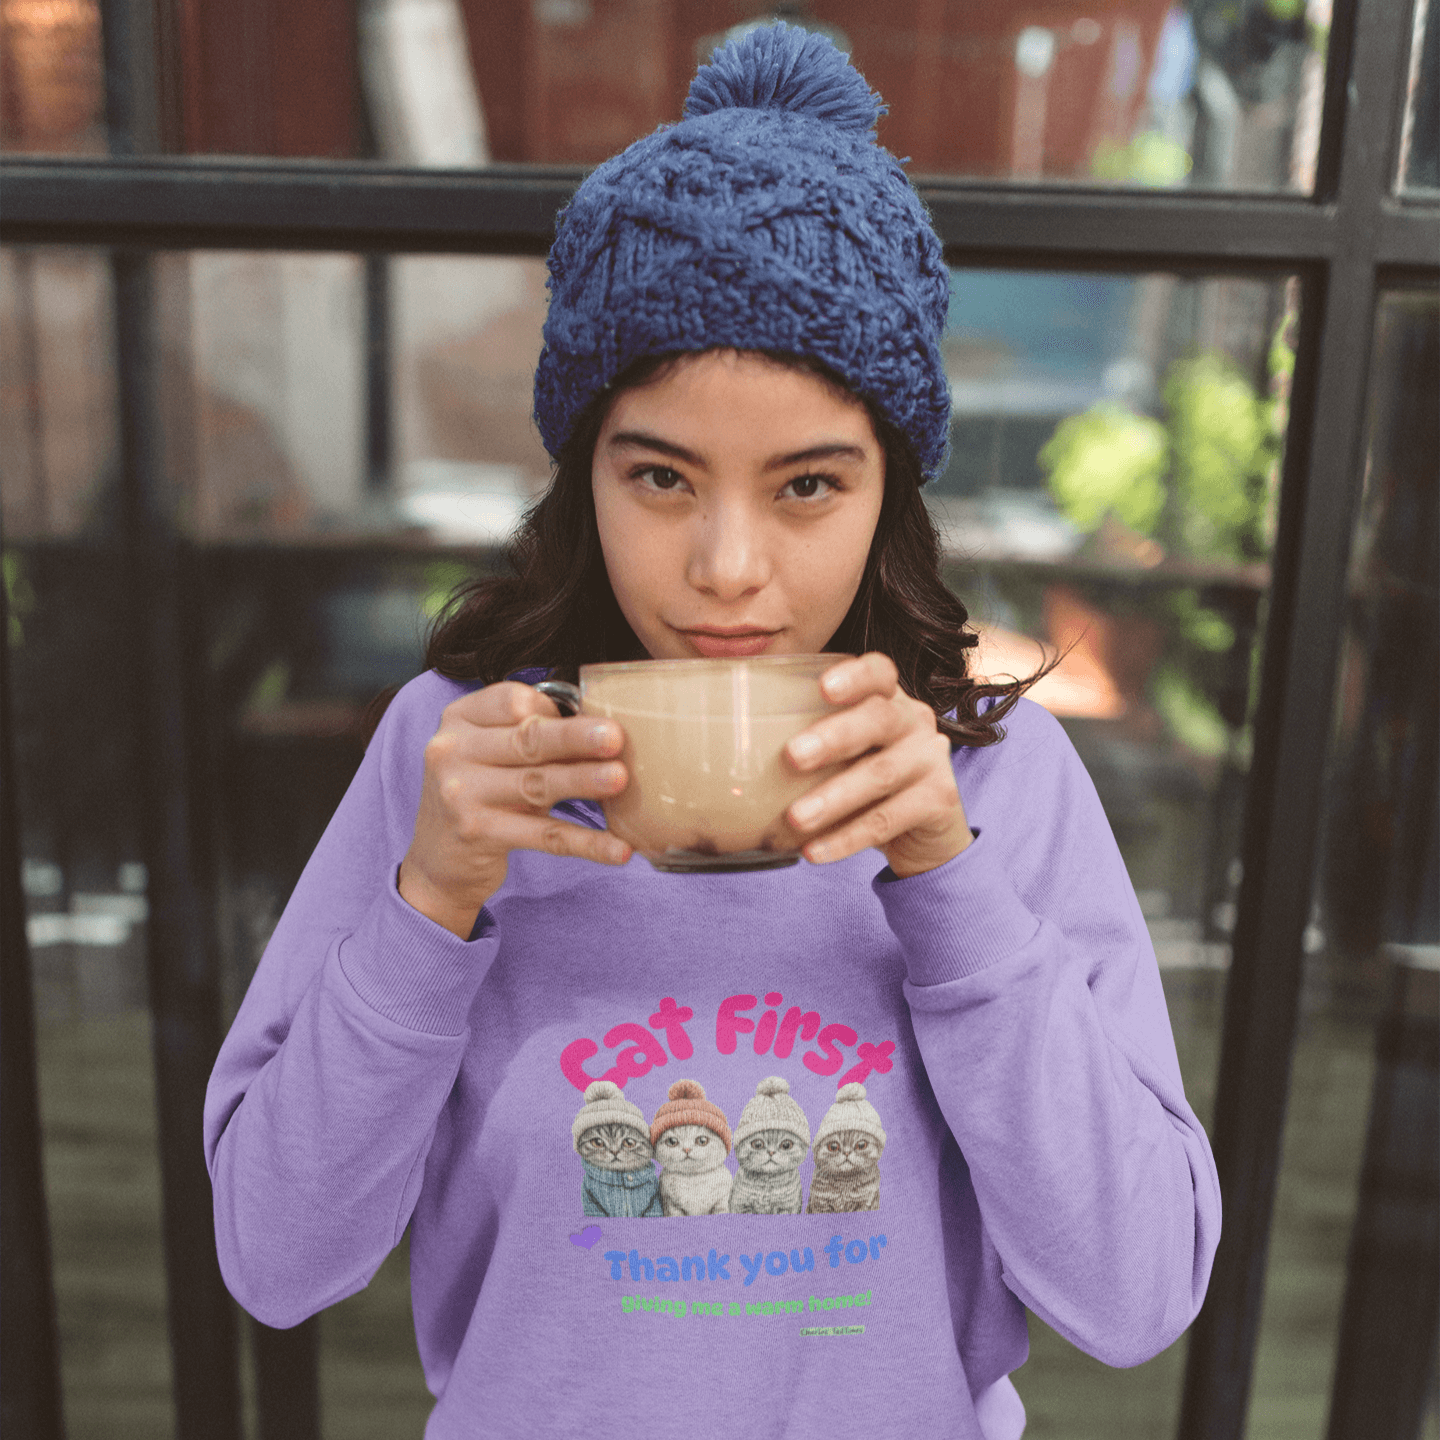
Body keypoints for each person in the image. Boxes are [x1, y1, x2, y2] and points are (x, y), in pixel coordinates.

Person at [205, 24, 1220, 1439]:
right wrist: (430, 903)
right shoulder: (457, 759)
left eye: (807, 485)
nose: (728, 568)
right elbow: (275, 1260)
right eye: (664, 478)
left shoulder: (993, 782)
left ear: (888, 493)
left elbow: (1139, 1292)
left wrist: (947, 879)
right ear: (585, 474)